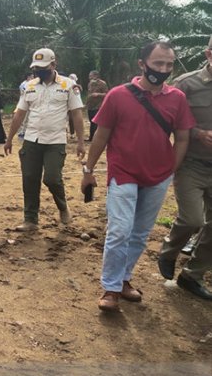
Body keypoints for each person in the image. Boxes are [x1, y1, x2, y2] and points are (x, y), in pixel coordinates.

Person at [81, 41, 195, 311]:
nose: (164, 69)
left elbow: (182, 137)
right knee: (120, 230)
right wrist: (88, 170)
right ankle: (110, 288)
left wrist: (171, 170)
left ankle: (124, 279)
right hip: (123, 172)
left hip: (158, 176)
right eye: (158, 64)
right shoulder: (118, 95)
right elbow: (101, 135)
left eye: (169, 65)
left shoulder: (177, 98)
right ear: (142, 64)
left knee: (140, 233)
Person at [4, 48, 85, 231]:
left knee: (52, 178)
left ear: (53, 64)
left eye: (43, 67)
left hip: (55, 141)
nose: (39, 71)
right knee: (30, 179)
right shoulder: (29, 86)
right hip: (32, 140)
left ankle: (63, 207)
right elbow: (19, 114)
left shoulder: (68, 85)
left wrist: (80, 142)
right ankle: (30, 220)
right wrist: (9, 139)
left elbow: (77, 115)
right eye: (36, 68)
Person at [157, 36, 212, 300]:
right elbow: (168, 119)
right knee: (193, 219)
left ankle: (193, 275)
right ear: (208, 54)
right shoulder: (186, 84)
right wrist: (198, 133)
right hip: (191, 163)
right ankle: (168, 251)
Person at [86, 70, 109, 141]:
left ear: (96, 76)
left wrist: (98, 94)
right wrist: (86, 104)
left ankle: (95, 138)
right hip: (90, 106)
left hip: (98, 106)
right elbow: (89, 94)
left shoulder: (102, 83)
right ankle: (91, 137)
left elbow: (107, 94)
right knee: (91, 121)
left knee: (95, 122)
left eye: (91, 76)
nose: (89, 77)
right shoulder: (90, 84)